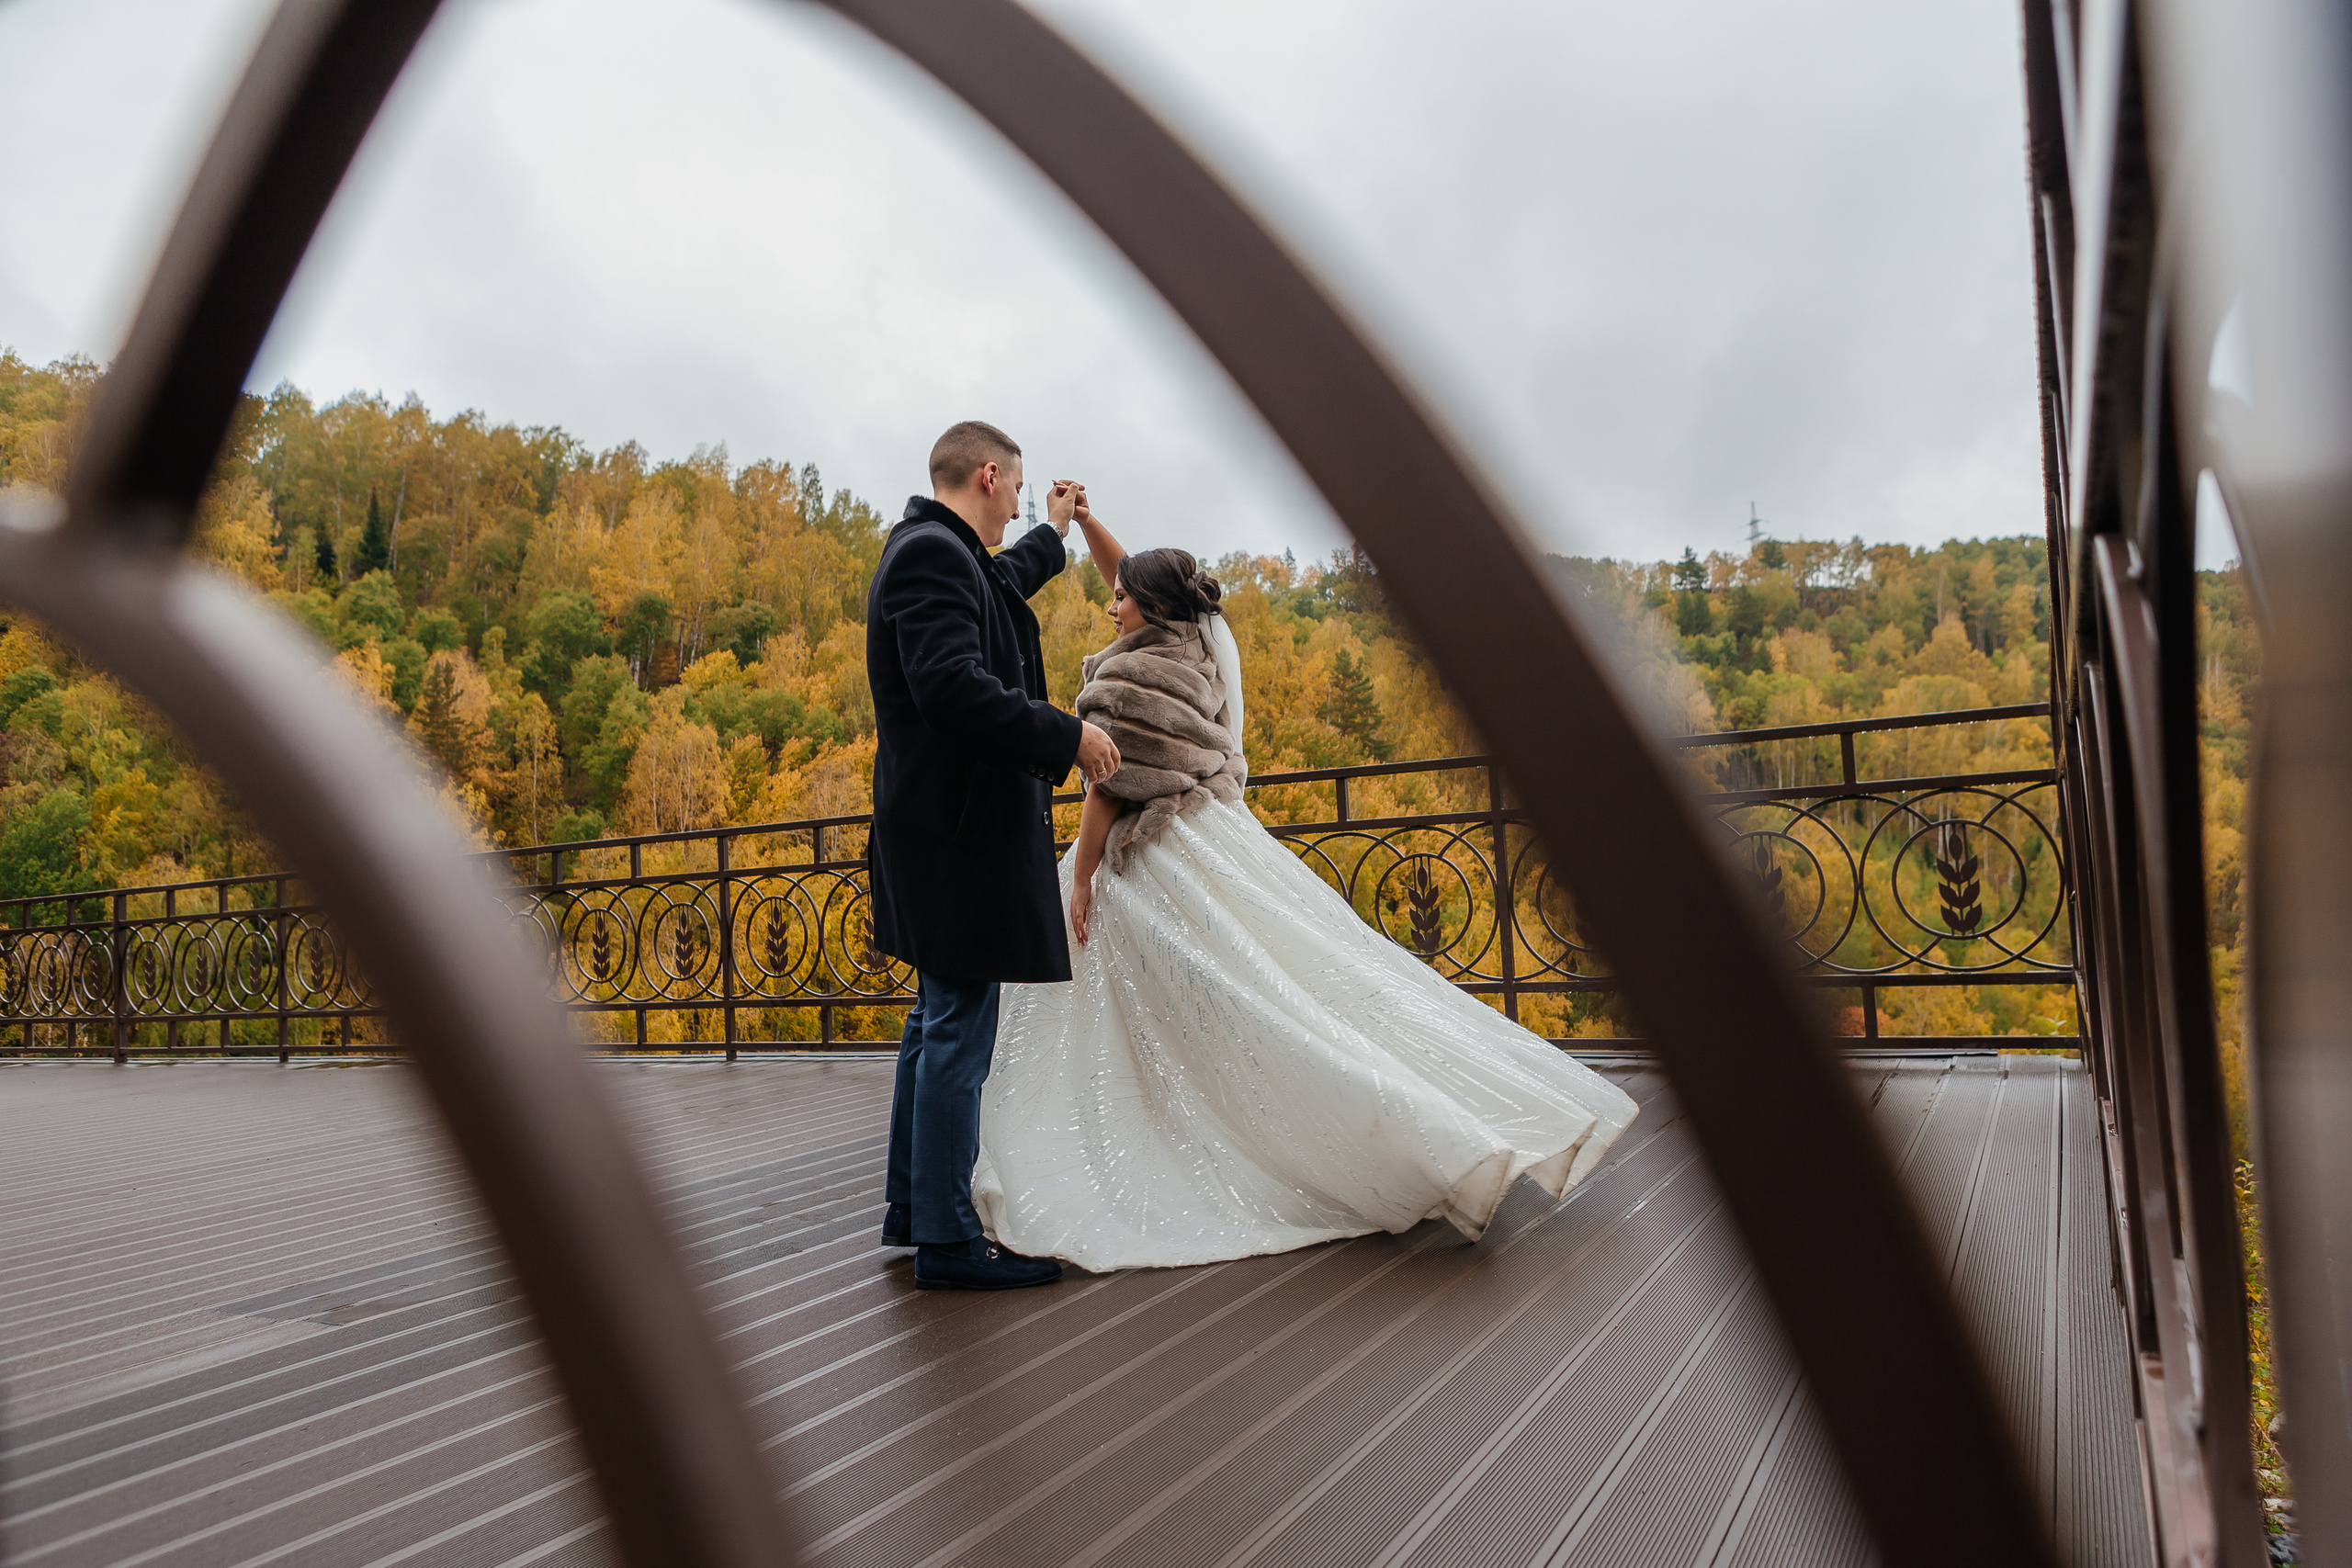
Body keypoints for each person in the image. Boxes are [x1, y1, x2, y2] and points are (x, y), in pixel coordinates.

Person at [969, 491, 1639, 1272]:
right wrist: (1085, 524)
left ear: (1148, 607)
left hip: (1153, 856)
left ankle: (1214, 1127)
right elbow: (1140, 576)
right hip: (1218, 832)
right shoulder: (1205, 643)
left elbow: (1108, 789)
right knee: (1291, 984)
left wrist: (1082, 879)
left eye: (1118, 596)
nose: (1107, 600)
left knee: (1178, 1008)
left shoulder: (1133, 680)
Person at [866, 421, 1122, 1291]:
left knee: (935, 1021)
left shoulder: (941, 553)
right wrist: (1069, 736)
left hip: (942, 831)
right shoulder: (930, 556)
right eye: (1017, 493)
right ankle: (944, 1237)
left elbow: (1003, 581)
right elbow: (952, 686)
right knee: (958, 1031)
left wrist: (1053, 529)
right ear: (986, 474)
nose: (1016, 508)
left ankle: (913, 1206)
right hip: (955, 837)